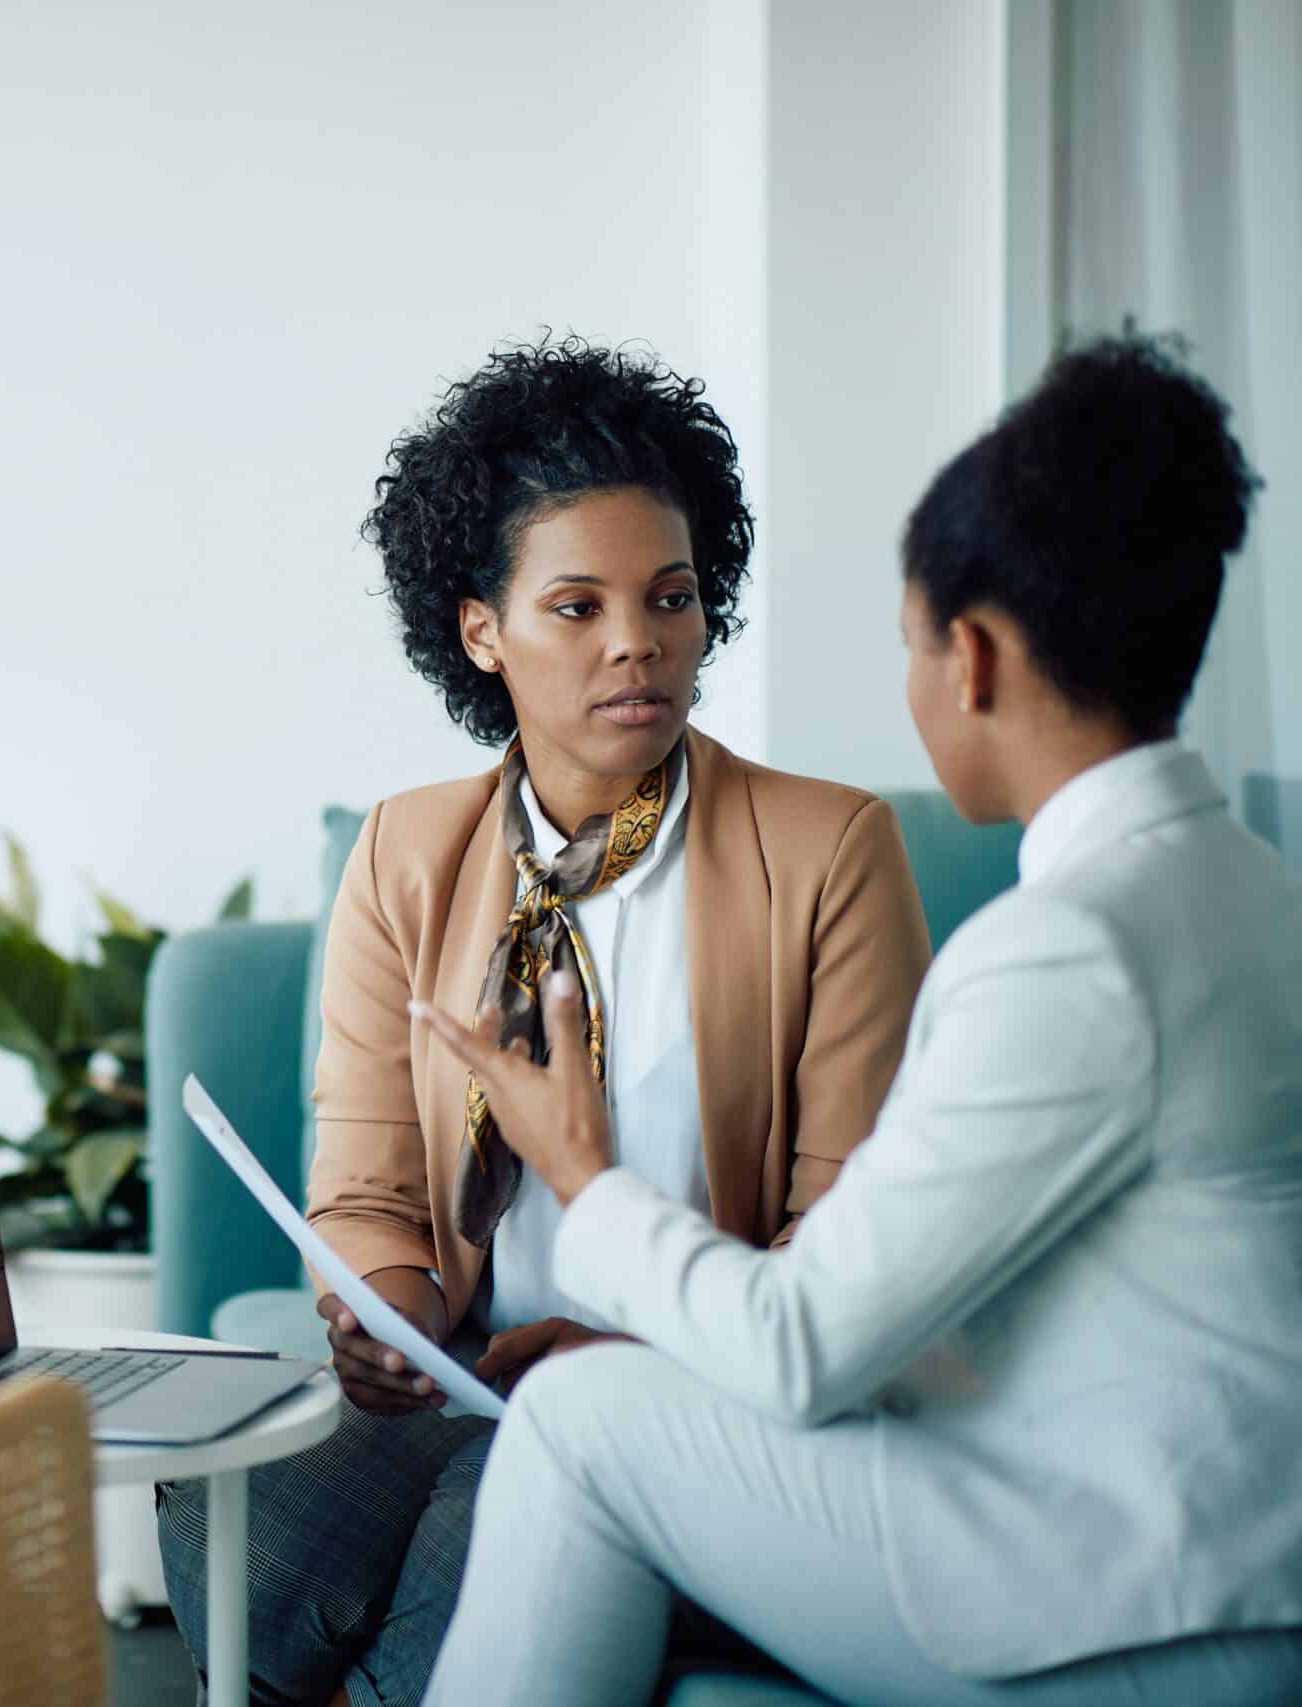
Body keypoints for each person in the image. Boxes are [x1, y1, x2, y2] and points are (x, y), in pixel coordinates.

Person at [421, 333, 1302, 1705]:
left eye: (906, 643)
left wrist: (579, 1166)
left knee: (585, 1421)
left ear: (976, 656)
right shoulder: (1248, 888)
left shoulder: (1071, 951)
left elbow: (803, 1342)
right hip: (1210, 1543)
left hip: (1135, 1601)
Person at [156, 336, 933, 1706]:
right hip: (458, 1373)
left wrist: (634, 1350)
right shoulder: (405, 852)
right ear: (481, 631)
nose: (638, 638)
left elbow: (846, 1242)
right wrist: (384, 1325)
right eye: (576, 605)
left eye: (672, 596)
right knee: (241, 1524)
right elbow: (368, 1188)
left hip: (690, 1392)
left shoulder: (828, 852)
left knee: (476, 1563)